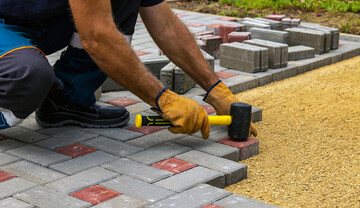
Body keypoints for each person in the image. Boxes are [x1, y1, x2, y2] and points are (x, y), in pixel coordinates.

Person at [0, 0, 257, 139]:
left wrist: (215, 88)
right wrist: (164, 99)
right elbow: (98, 37)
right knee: (28, 76)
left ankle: (68, 102)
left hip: (42, 17)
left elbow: (165, 24)